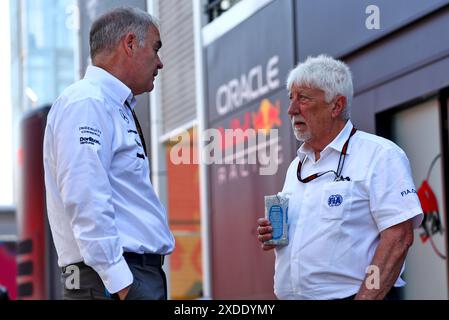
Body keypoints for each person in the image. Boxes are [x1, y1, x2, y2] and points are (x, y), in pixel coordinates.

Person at [257, 55, 423, 300]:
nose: (291, 110)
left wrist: (366, 297)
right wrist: (274, 234)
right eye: (291, 99)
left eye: (303, 98)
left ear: (336, 106)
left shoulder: (380, 155)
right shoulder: (297, 166)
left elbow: (398, 237)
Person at [43, 7, 174, 300]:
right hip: (111, 281)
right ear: (129, 43)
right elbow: (85, 196)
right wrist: (123, 284)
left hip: (121, 278)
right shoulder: (87, 102)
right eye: (155, 49)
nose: (160, 62)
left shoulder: (111, 105)